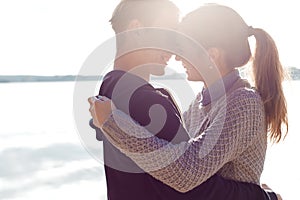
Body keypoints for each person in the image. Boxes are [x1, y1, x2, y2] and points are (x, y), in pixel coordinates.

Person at [89, 3, 287, 200]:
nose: (176, 55)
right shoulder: (199, 104)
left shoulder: (244, 103)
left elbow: (186, 171)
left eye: (183, 47)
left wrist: (113, 123)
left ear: (212, 55)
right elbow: (172, 153)